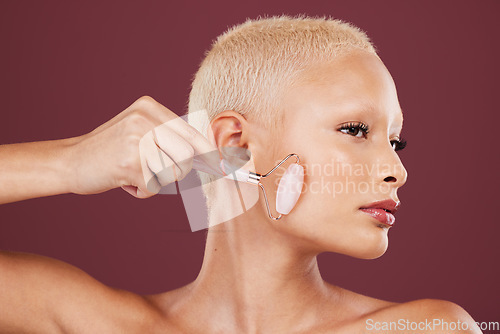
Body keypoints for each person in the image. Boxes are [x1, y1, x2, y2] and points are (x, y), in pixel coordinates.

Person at [0, 14, 481, 334]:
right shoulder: (95, 323)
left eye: (395, 141)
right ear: (236, 144)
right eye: (356, 129)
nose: (396, 170)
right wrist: (67, 162)